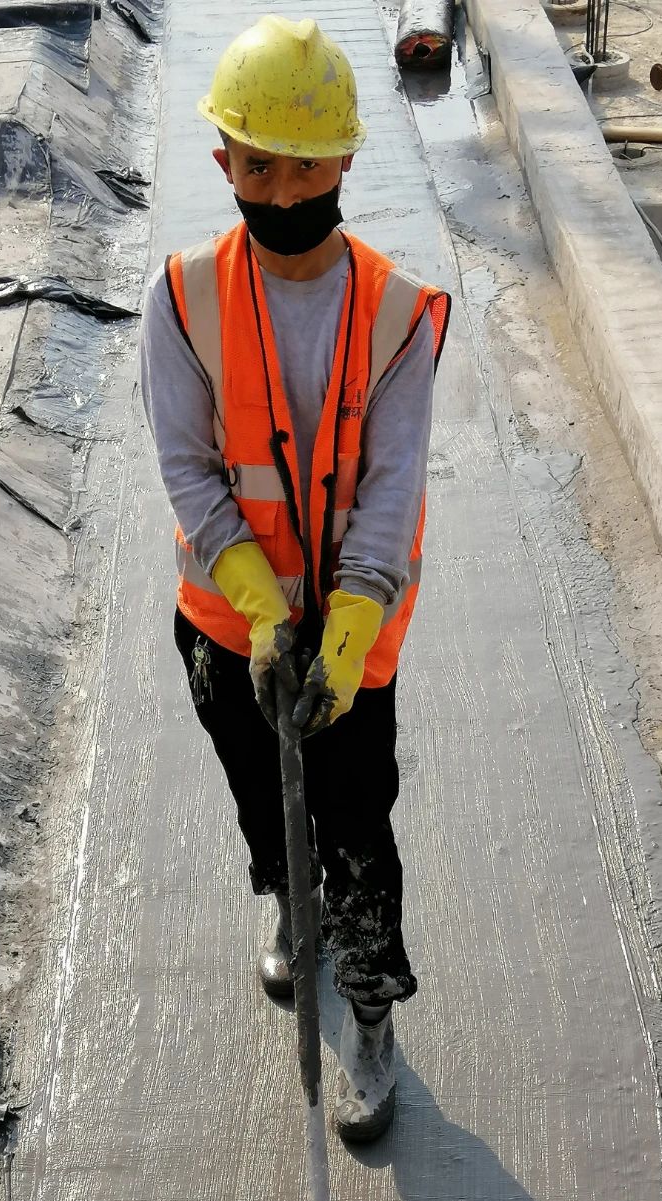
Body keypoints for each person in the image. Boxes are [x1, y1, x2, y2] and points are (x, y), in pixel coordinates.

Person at [139, 14, 449, 1143]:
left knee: (357, 817)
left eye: (304, 164)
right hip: (227, 624)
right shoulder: (182, 300)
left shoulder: (400, 316)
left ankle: (368, 1008)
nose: (279, 191)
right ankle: (286, 898)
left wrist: (349, 621)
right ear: (220, 161)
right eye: (255, 164)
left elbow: (390, 489)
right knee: (257, 782)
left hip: (352, 633)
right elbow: (186, 468)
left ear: (346, 162)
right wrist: (265, 615)